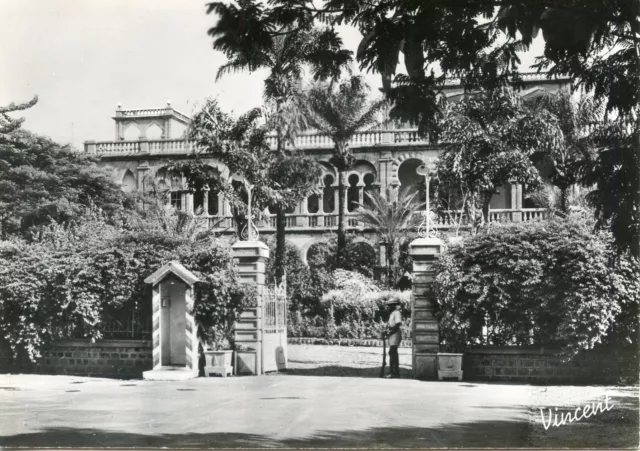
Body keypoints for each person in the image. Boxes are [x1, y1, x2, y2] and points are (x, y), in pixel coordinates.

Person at [384, 299, 402, 378]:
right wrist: (387, 331)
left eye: (390, 306)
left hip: (395, 334)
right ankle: (393, 371)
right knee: (392, 353)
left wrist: (390, 332)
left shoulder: (397, 313)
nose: (389, 307)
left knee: (393, 352)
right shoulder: (392, 313)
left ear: (394, 305)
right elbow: (390, 325)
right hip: (392, 334)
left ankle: (394, 372)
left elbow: (398, 325)